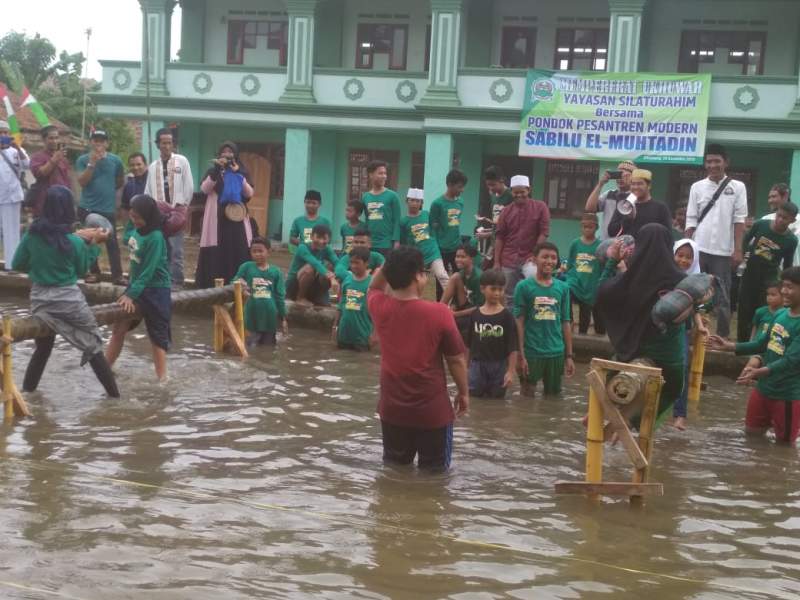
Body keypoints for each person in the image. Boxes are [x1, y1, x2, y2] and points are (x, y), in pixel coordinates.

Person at [367, 247, 469, 471]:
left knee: (394, 472)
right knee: (435, 479)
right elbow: (456, 360)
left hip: (392, 410)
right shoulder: (440, 313)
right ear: (417, 276)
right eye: (423, 272)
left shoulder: (379, 306)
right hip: (432, 413)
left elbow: (374, 286)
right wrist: (463, 392)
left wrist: (391, 263)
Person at [12, 185, 119, 396]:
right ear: (69, 209)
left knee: (43, 347)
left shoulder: (32, 235)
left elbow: (17, 264)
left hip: (40, 300)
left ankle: (28, 394)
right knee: (93, 344)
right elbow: (81, 270)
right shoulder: (73, 242)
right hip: (69, 301)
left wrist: (38, 269)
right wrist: (95, 244)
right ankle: (115, 398)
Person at [596, 224, 689, 424]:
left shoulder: (629, 279)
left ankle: (601, 416)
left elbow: (602, 293)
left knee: (604, 380)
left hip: (630, 352)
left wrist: (612, 261)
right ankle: (636, 423)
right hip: (668, 358)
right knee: (674, 389)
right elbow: (701, 302)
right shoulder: (680, 281)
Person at [708, 266, 800, 446]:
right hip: (763, 389)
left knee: (784, 447)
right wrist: (729, 346)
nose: (784, 291)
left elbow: (791, 361)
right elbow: (761, 344)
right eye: (783, 286)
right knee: (751, 435)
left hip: (787, 396)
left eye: (790, 287)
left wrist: (758, 372)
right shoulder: (781, 314)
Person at [105, 195, 172, 381]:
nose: (134, 221)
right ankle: (104, 369)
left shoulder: (156, 237)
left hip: (156, 289)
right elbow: (127, 239)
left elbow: (149, 271)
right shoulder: (136, 229)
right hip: (136, 284)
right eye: (132, 216)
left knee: (157, 336)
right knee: (119, 326)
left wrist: (131, 295)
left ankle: (162, 381)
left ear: (149, 216)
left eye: (137, 217)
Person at [685, 143, 748, 339]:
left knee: (723, 296)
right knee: (693, 292)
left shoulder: (738, 187)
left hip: (723, 251)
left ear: (725, 162)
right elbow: (691, 218)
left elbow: (739, 220)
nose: (712, 165)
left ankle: (721, 336)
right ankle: (690, 332)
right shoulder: (697, 187)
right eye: (709, 161)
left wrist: (738, 250)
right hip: (699, 248)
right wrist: (687, 246)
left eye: (717, 161)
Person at [514, 242, 574, 396]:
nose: (549, 261)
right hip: (531, 352)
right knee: (526, 397)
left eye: (553, 257)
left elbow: (566, 322)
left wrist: (569, 356)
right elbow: (519, 322)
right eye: (545, 257)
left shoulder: (563, 288)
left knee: (553, 399)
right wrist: (520, 355)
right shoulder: (523, 287)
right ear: (534, 260)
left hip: (556, 352)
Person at [195, 141, 254, 288]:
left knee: (237, 249)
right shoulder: (212, 172)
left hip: (236, 220)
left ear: (235, 154)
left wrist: (237, 173)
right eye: (224, 151)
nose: (227, 154)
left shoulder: (241, 171)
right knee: (217, 250)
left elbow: (249, 193)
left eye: (230, 151)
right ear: (219, 154)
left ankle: (238, 287)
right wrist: (216, 171)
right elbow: (204, 189)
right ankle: (212, 287)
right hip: (217, 219)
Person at [736, 203, 798, 342]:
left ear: (792, 221)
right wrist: (743, 255)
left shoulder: (791, 240)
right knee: (744, 308)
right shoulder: (761, 224)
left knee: (763, 310)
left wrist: (783, 284)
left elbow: (787, 263)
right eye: (779, 215)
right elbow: (746, 238)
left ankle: (758, 342)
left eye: (785, 218)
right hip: (750, 273)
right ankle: (741, 342)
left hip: (768, 278)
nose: (780, 220)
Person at [143, 128, 194, 289]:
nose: (166, 146)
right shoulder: (152, 167)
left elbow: (189, 185)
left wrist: (183, 205)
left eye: (169, 142)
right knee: (160, 247)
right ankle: (162, 279)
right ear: (157, 144)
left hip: (177, 211)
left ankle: (177, 281)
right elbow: (148, 190)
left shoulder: (181, 161)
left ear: (173, 144)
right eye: (163, 143)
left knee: (176, 248)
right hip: (158, 213)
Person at [75, 129, 125, 284]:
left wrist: (107, 192)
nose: (99, 144)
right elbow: (82, 182)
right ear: (91, 143)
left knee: (112, 242)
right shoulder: (83, 160)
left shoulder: (116, 161)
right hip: (87, 208)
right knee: (89, 241)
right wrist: (92, 164)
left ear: (107, 143)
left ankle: (117, 276)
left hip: (107, 209)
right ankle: (94, 273)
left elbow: (120, 181)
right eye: (96, 141)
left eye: (102, 141)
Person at [494, 174, 550, 305]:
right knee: (509, 297)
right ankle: (512, 325)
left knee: (534, 292)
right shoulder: (506, 211)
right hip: (508, 259)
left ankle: (531, 323)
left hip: (530, 258)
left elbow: (544, 232)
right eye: (516, 192)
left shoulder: (540, 207)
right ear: (511, 192)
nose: (519, 195)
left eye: (522, 192)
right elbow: (500, 237)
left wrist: (536, 254)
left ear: (529, 190)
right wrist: (497, 262)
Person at [672, 238, 709, 430]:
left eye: (688, 257)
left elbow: (694, 307)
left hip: (682, 331)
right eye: (680, 255)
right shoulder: (666, 276)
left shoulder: (694, 282)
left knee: (683, 368)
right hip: (661, 330)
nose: (684, 260)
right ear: (673, 255)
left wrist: (700, 325)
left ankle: (680, 415)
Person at [464, 269, 518, 398]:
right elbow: (468, 345)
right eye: (493, 289)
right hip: (477, 365)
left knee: (497, 400)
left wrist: (510, 371)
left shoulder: (507, 316)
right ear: (482, 289)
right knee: (474, 398)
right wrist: (465, 368)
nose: (497, 293)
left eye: (500, 289)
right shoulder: (475, 315)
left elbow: (513, 347)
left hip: (499, 365)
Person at [232, 236, 287, 346]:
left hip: (270, 316)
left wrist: (283, 318)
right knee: (250, 345)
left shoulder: (276, 272)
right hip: (251, 316)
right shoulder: (246, 267)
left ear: (268, 252)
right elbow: (234, 281)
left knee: (268, 348)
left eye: (260, 251)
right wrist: (240, 282)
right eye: (254, 251)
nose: (257, 254)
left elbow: (280, 296)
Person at [399, 187, 448, 291]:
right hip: (417, 257)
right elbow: (403, 242)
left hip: (433, 252)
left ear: (421, 203)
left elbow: (434, 227)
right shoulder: (403, 221)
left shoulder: (426, 214)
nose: (414, 203)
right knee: (415, 281)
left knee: (442, 275)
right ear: (407, 201)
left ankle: (453, 304)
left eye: (418, 201)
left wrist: (434, 241)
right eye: (412, 200)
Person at [430, 169, 468, 299]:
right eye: (459, 187)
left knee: (460, 279)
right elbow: (432, 228)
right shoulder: (437, 204)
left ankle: (460, 306)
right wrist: (435, 248)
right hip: (441, 248)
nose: (462, 190)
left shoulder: (460, 202)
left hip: (456, 247)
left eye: (463, 187)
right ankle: (440, 308)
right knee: (441, 282)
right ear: (450, 185)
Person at [566, 213, 604, 335]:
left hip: (593, 284)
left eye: (590, 227)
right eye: (584, 227)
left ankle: (587, 336)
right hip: (576, 283)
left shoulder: (600, 246)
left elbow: (603, 266)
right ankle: (569, 324)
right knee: (566, 294)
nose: (587, 229)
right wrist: (571, 278)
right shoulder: (575, 244)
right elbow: (571, 264)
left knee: (587, 314)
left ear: (596, 227)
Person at [607, 169, 672, 239]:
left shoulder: (660, 208)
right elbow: (611, 232)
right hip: (627, 249)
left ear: (649, 185)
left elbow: (667, 235)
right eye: (633, 184)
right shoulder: (624, 206)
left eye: (640, 184)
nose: (635, 187)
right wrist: (627, 219)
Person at [286, 223, 339, 306]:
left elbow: (337, 262)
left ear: (329, 239)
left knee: (332, 267)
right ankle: (300, 298)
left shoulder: (327, 249)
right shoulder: (303, 247)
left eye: (324, 238)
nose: (321, 241)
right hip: (294, 285)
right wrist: (331, 277)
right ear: (311, 237)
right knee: (310, 268)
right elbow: (315, 263)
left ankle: (320, 296)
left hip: (313, 285)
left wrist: (348, 277)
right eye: (318, 237)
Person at [0, 120, 29, 267]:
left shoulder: (16, 151)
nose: (3, 135)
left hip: (12, 197)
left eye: (6, 133)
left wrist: (17, 147)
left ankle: (12, 265)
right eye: (1, 133)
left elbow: (28, 165)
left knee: (12, 232)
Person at [333, 246, 373, 351]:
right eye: (351, 263)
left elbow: (377, 311)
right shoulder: (347, 280)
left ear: (366, 263)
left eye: (357, 263)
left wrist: (374, 335)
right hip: (344, 333)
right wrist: (335, 326)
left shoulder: (372, 284)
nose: (353, 266)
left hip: (362, 334)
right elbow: (341, 305)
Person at [584, 161, 636, 240]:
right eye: (619, 175)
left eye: (625, 176)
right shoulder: (609, 194)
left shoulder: (636, 196)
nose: (621, 178)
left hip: (626, 245)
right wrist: (600, 184)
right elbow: (589, 209)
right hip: (606, 244)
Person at [28, 125, 71, 217]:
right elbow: (40, 174)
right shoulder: (37, 157)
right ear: (44, 140)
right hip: (44, 204)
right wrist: (54, 159)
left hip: (62, 203)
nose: (54, 141)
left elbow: (67, 180)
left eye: (56, 138)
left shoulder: (63, 159)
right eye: (51, 138)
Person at [362, 160, 401, 256]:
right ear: (371, 175)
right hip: (370, 244)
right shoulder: (365, 197)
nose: (384, 176)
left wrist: (396, 241)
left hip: (386, 244)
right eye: (380, 173)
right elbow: (367, 219)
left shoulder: (393, 196)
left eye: (385, 173)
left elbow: (397, 221)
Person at [441, 243, 484, 328]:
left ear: (471, 259)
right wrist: (452, 308)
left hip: (478, 313)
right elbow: (456, 297)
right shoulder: (462, 273)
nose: (458, 259)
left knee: (454, 322)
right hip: (466, 304)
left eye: (463, 257)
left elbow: (481, 307)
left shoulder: (479, 277)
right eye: (457, 256)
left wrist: (456, 314)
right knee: (455, 276)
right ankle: (439, 309)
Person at [760, 183, 800, 266]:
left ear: (785, 195)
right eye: (769, 197)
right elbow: (760, 249)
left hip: (794, 271)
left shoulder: (798, 220)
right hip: (769, 271)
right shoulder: (765, 220)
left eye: (774, 196)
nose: (770, 200)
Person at [120, 152, 149, 252]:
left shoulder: (152, 182)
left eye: (139, 164)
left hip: (151, 228)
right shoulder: (129, 185)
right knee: (135, 256)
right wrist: (126, 226)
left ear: (145, 165)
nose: (135, 167)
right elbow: (125, 207)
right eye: (132, 165)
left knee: (150, 256)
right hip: (134, 228)